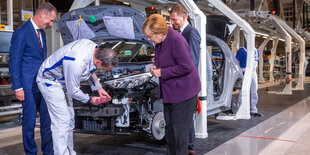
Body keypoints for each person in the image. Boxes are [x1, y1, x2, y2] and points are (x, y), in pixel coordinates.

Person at [36, 39, 118, 154]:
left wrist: (98, 87)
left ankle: (69, 152)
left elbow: (90, 70)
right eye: (104, 69)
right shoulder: (77, 61)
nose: (102, 70)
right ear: (99, 61)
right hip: (50, 81)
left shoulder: (94, 48)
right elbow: (73, 91)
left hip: (63, 82)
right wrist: (90, 99)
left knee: (69, 119)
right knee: (62, 121)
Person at [143, 14, 201, 155]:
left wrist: (162, 72)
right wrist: (155, 67)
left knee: (179, 132)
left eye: (150, 36)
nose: (148, 39)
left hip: (184, 91)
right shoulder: (161, 41)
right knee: (170, 130)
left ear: (160, 32)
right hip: (171, 91)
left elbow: (186, 66)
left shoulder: (176, 40)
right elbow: (165, 60)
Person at [9, 2, 56, 154]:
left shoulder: (41, 32)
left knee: (46, 122)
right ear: (42, 14)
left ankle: (48, 151)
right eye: (49, 20)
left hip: (42, 83)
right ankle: (31, 152)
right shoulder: (21, 32)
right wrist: (18, 87)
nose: (50, 24)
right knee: (29, 123)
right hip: (27, 85)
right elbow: (14, 61)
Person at [170, 4, 201, 155]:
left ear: (184, 17)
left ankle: (190, 147)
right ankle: (189, 146)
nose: (172, 23)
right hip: (180, 82)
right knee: (183, 118)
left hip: (187, 83)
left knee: (185, 118)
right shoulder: (180, 33)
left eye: (174, 20)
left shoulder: (191, 33)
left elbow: (192, 62)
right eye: (171, 20)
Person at [236, 46, 263, 117]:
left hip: (253, 73)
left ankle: (253, 110)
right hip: (244, 72)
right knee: (243, 91)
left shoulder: (256, 51)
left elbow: (256, 62)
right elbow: (237, 62)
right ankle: (240, 109)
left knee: (254, 91)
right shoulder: (241, 50)